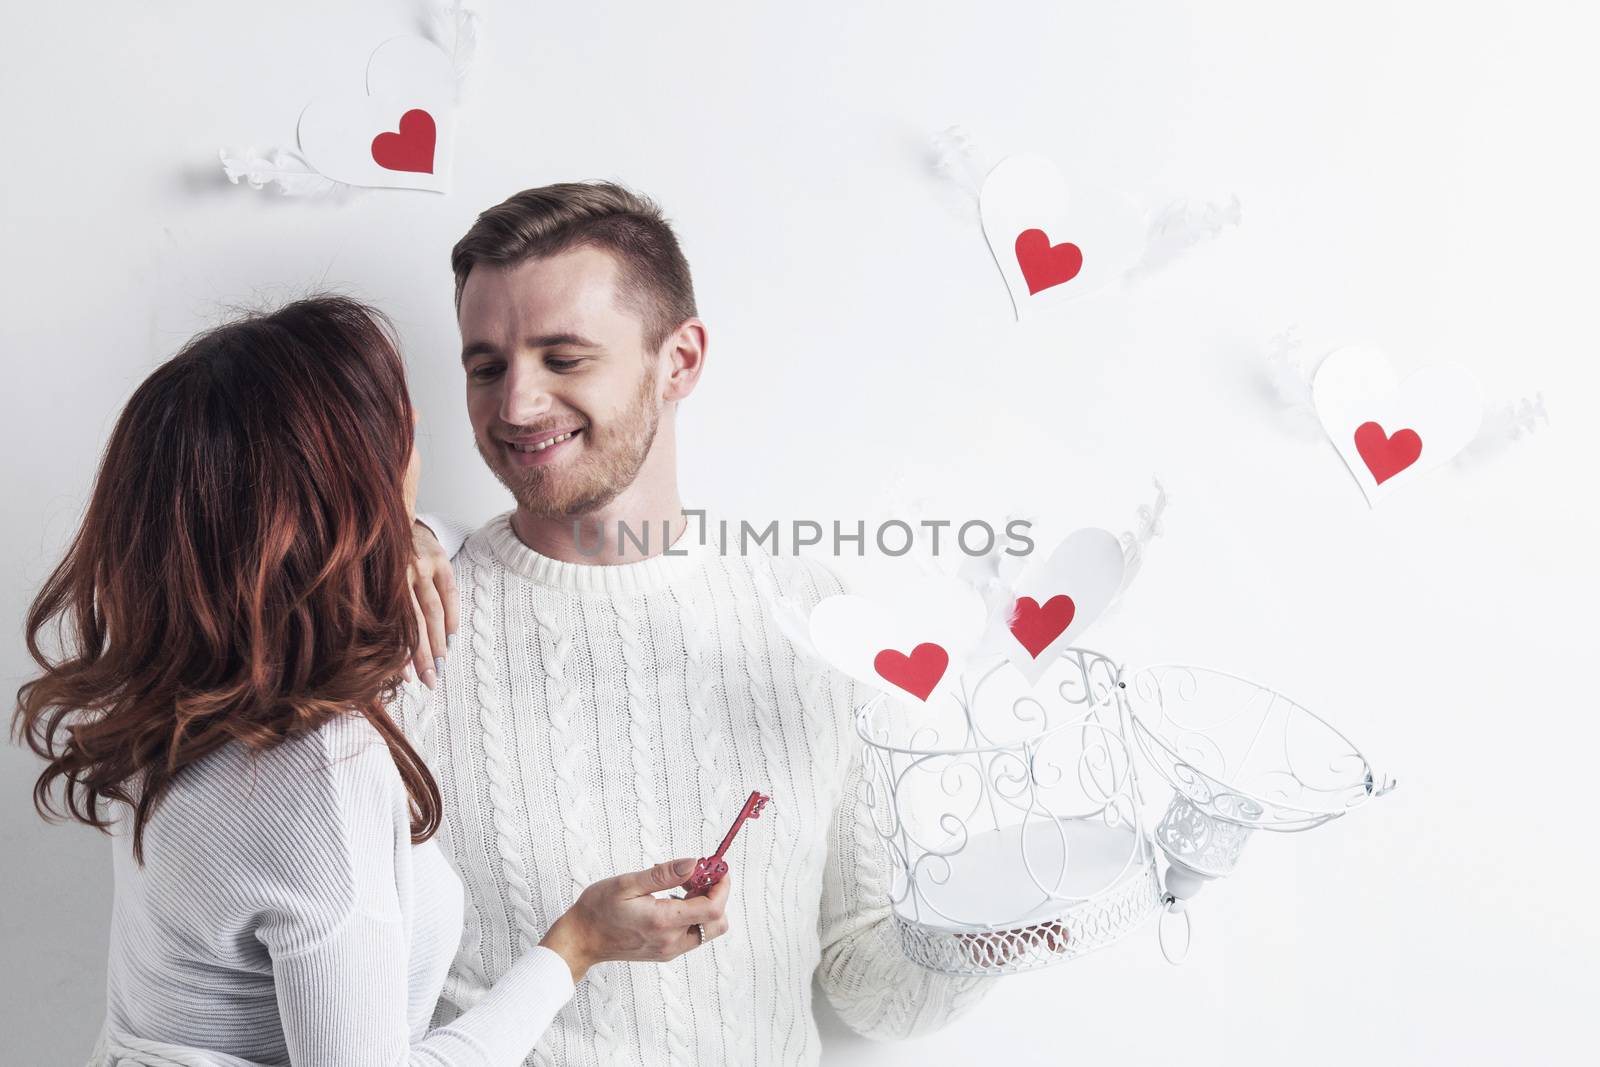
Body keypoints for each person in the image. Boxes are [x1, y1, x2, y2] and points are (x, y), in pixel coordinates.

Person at [11, 296, 730, 1066]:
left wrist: (413, 535)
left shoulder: (185, 689)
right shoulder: (318, 770)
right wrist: (575, 944)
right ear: (354, 492)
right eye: (404, 434)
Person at [395, 181, 1002, 1067]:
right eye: (486, 366)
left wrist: (1000, 928)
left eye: (564, 358)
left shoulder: (814, 614)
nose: (516, 406)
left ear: (678, 360)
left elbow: (865, 980)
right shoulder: (409, 619)